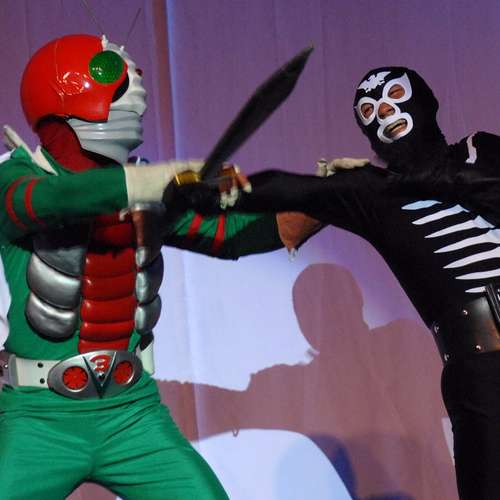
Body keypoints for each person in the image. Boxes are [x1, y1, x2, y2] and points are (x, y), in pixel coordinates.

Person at [0, 33, 307, 499]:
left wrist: (338, 195)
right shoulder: (17, 176)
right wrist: (161, 180)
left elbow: (237, 235)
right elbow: (53, 199)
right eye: (115, 76)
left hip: (132, 413)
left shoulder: (153, 193)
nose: (135, 91)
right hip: (39, 418)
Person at [181, 66, 500, 499]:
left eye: (394, 96)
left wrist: (420, 179)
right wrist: (225, 192)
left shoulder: (479, 149)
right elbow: (294, 190)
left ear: (425, 100)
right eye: (370, 110)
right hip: (481, 370)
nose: (385, 112)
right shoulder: (372, 193)